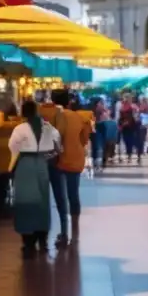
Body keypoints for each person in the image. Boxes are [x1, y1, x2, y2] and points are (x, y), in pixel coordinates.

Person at [8, 99, 61, 256]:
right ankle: (42, 239)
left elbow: (13, 146)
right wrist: (48, 156)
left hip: (25, 165)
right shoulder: (47, 127)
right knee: (42, 202)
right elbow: (58, 147)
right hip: (41, 165)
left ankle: (28, 242)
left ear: (23, 112)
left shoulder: (20, 129)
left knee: (26, 201)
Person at [48, 89, 91, 248]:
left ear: (52, 101)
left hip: (57, 160)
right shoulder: (80, 117)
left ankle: (64, 233)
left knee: (60, 197)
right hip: (76, 159)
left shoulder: (53, 116)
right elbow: (85, 139)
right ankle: (76, 230)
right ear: (68, 101)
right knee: (74, 194)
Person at [118, 95, 139, 163]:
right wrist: (121, 125)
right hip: (124, 127)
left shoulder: (132, 108)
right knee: (126, 141)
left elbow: (133, 117)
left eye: (127, 99)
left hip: (131, 127)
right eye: (125, 100)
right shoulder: (121, 108)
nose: (125, 101)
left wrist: (126, 123)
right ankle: (128, 155)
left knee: (130, 141)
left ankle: (129, 156)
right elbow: (120, 118)